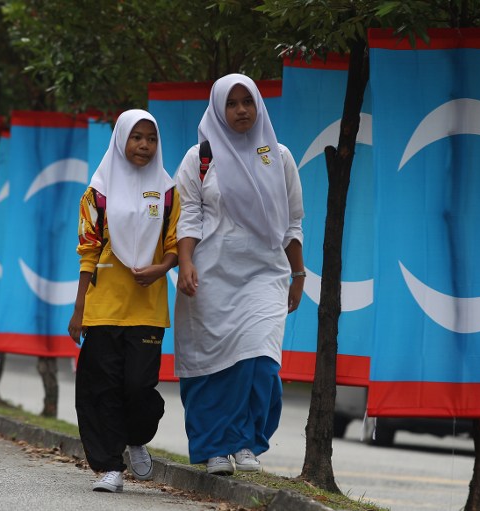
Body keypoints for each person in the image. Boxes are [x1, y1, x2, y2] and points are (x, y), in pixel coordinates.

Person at [174, 74, 305, 475]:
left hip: (265, 275)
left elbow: (293, 222)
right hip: (211, 278)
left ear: (259, 105)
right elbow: (189, 217)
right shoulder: (199, 158)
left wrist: (297, 274)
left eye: (247, 101)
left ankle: (247, 442)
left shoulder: (278, 156)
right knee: (215, 366)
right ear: (218, 109)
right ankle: (216, 447)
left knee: (260, 361)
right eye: (231, 104)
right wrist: (186, 263)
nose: (241, 110)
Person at [67, 109, 180, 493]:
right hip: (102, 309)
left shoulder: (167, 192)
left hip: (147, 309)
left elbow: (174, 245)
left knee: (138, 387)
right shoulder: (96, 192)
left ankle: (136, 437)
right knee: (101, 389)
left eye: (151, 138)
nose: (144, 145)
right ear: (120, 140)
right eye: (136, 137)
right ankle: (108, 467)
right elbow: (87, 250)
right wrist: (79, 308)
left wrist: (161, 269)